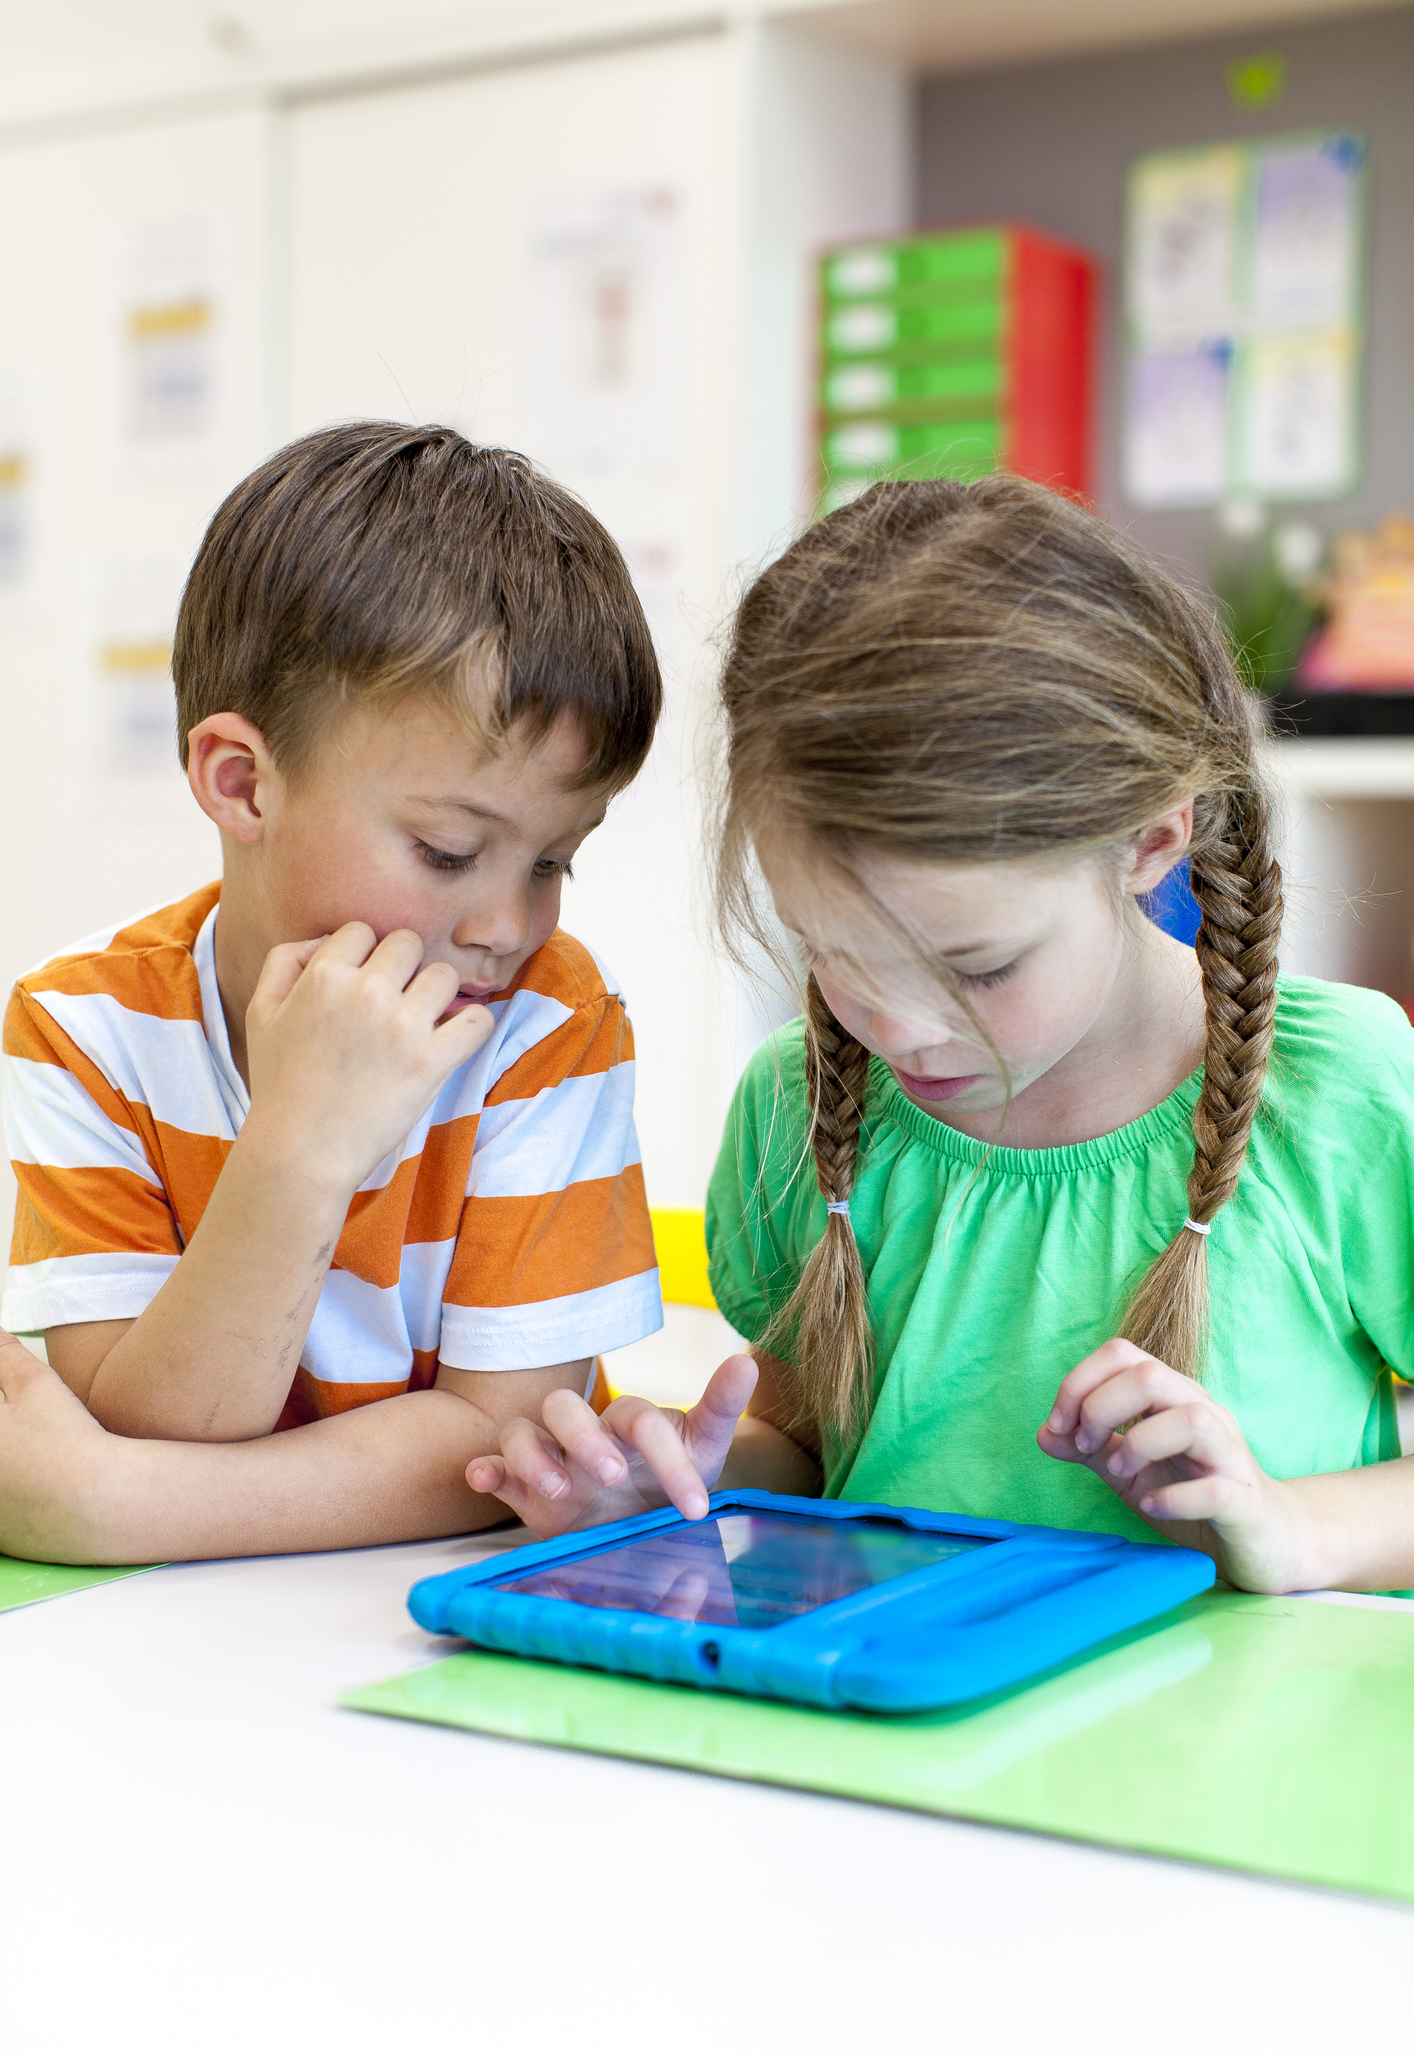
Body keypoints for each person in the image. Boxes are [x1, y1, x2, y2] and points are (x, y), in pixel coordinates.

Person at [468, 474, 1414, 1596]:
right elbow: (814, 1447)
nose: (900, 1029)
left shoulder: (1342, 1090)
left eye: (978, 968)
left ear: (1152, 841)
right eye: (835, 955)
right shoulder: (800, 1101)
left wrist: (1288, 1525)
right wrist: (688, 1479)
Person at [0, 422, 663, 1563]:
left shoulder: (549, 1025)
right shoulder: (83, 1027)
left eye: (555, 861)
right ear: (243, 783)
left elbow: (510, 1448)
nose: (509, 927)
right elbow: (154, 1424)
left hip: (416, 1610)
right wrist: (301, 1148)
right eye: (450, 852)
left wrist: (110, 1505)